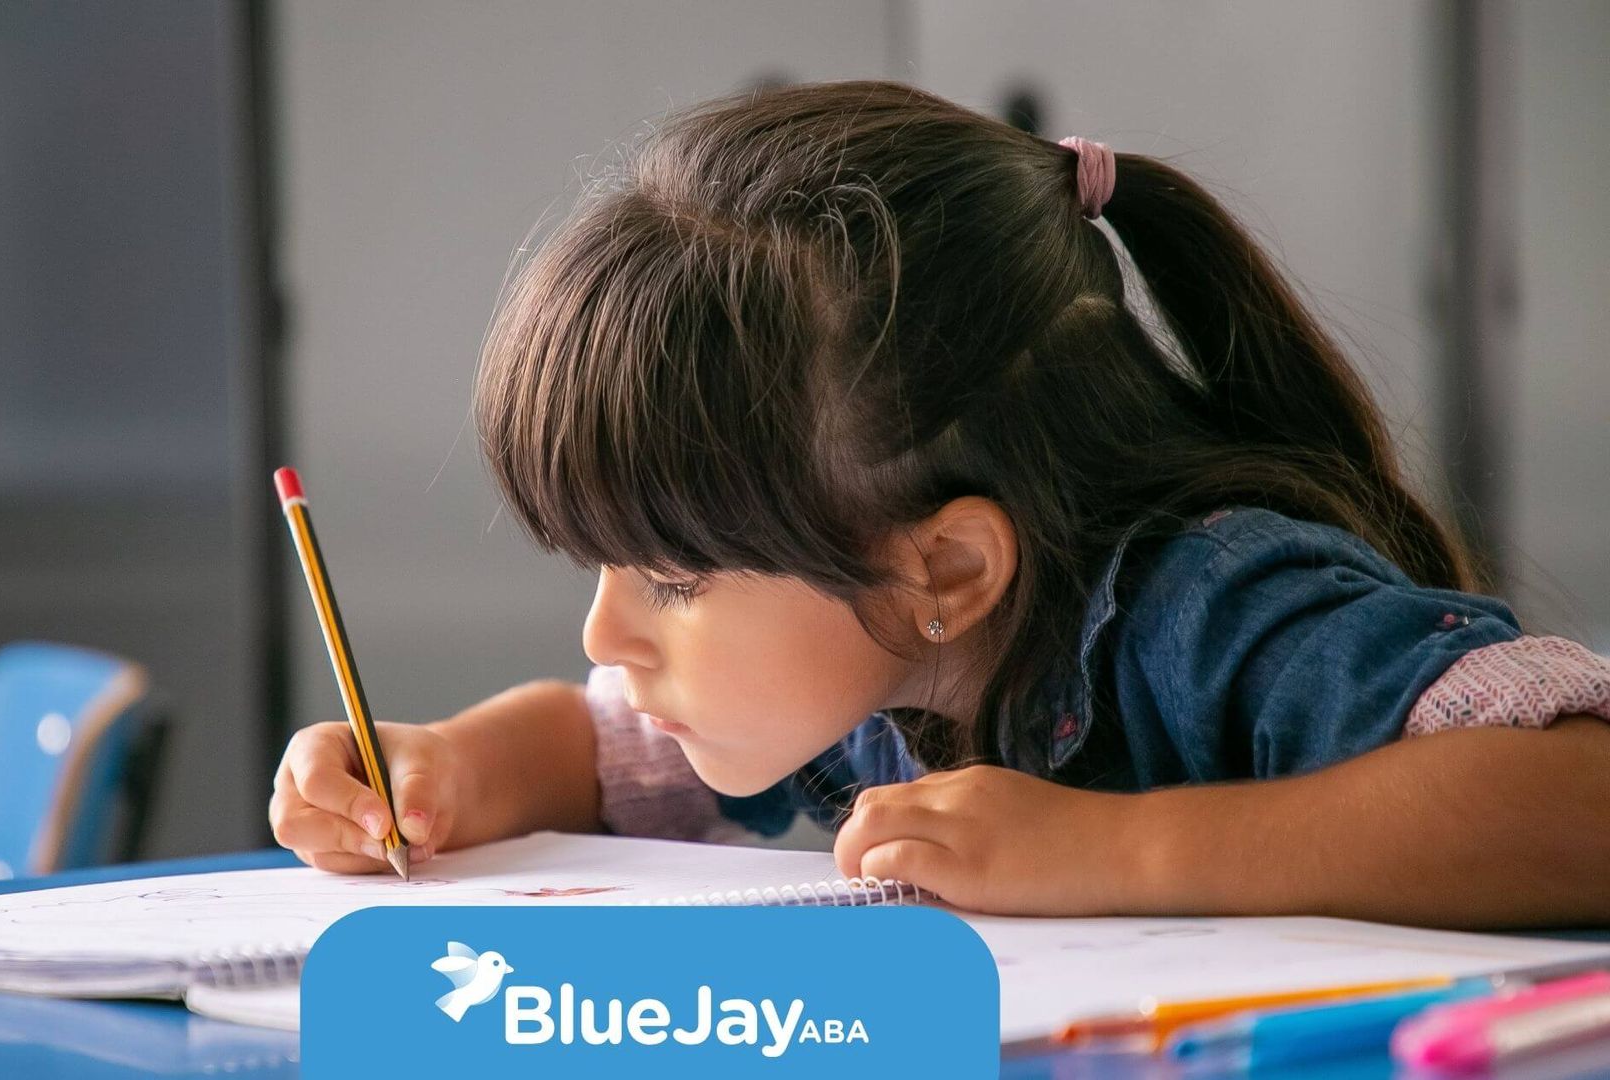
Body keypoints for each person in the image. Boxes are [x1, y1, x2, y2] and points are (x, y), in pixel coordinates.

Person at [269, 80, 1610, 928]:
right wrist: (442, 772)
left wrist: (1124, 854)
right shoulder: (870, 669)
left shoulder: (1217, 607)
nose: (605, 638)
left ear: (945, 568)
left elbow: (1581, 802)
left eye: (674, 579)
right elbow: (602, 750)